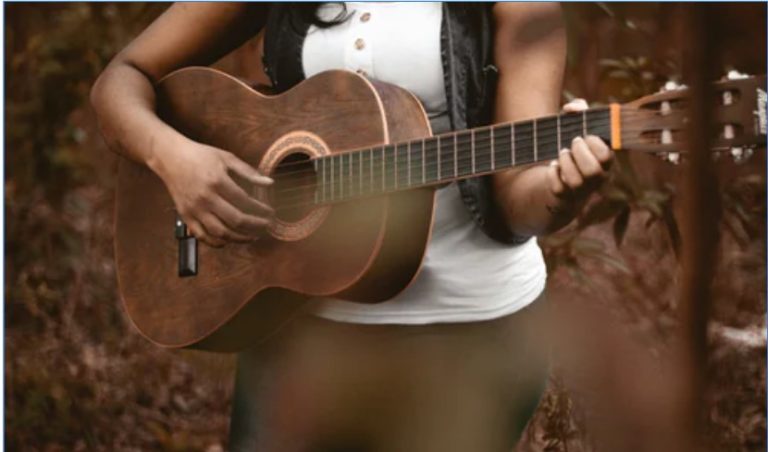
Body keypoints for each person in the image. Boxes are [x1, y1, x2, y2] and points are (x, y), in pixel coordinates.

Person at [91, 3, 613, 451]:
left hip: (471, 334)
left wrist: (561, 192)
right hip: (298, 319)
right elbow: (121, 79)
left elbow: (520, 197)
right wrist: (178, 161)